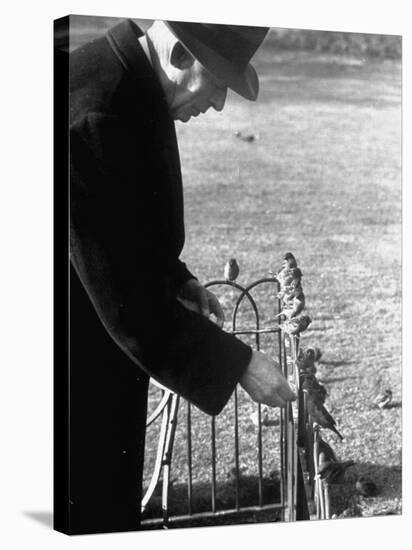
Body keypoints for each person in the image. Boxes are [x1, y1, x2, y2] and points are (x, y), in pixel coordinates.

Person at [68, 17, 296, 535]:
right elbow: (123, 301)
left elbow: (120, 228)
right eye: (217, 84)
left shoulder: (133, 88)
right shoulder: (93, 111)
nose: (217, 105)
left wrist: (175, 278)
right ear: (177, 57)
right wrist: (239, 363)